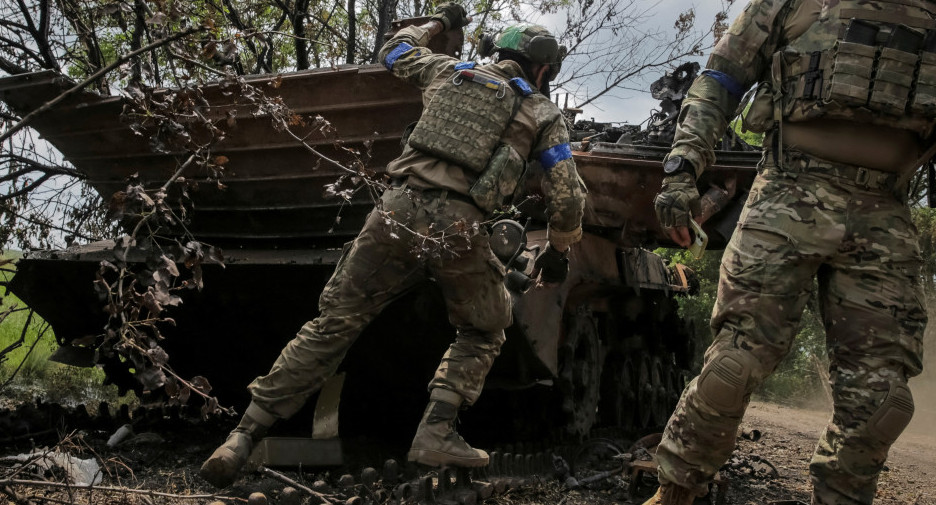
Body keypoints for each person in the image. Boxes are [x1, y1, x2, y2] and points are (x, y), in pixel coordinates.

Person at [199, 3, 586, 488]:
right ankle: (436, 431)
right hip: (459, 229)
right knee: (486, 328)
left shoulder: (449, 72)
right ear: (544, 68)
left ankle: (241, 437)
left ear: (496, 51)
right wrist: (559, 248)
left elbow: (394, 49)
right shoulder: (541, 111)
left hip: (394, 213)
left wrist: (441, 21)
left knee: (332, 325)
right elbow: (568, 197)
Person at [650, 1, 930, 504]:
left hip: (884, 209)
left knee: (882, 400)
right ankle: (675, 489)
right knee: (732, 368)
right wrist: (682, 167)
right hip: (789, 189)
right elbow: (721, 79)